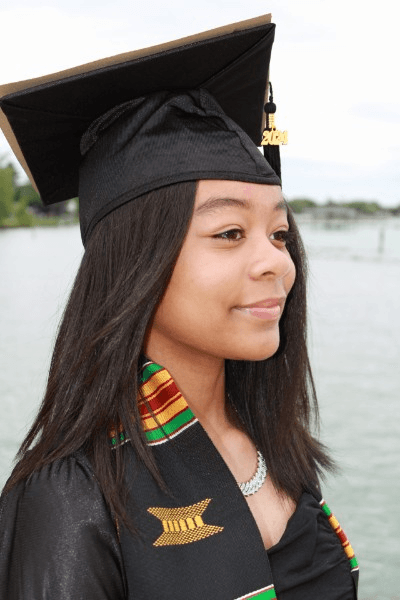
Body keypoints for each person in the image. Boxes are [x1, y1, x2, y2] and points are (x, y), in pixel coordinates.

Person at [0, 14, 359, 600]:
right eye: (229, 233)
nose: (277, 262)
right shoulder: (73, 498)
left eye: (278, 234)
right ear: (136, 261)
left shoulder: (275, 444)